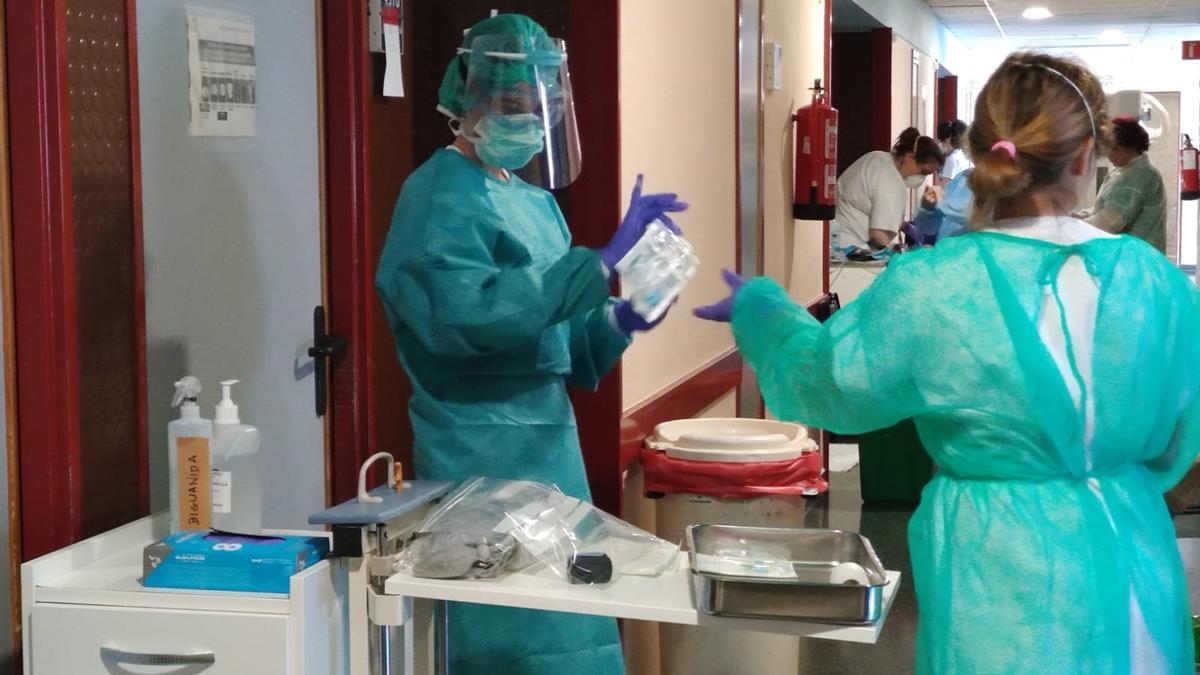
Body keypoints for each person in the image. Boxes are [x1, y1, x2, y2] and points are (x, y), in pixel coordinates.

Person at [695, 52, 1199, 674]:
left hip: (998, 574)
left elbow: (826, 384)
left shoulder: (935, 287)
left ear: (987, 154)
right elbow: (1179, 447)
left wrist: (763, 311)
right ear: (1083, 156)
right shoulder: (1155, 282)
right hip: (1133, 570)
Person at [375, 14, 686, 675]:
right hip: (475, 460)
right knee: (504, 640)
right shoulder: (435, 195)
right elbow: (466, 317)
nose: (529, 118)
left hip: (554, 458)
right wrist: (596, 261)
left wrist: (627, 315)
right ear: (469, 97)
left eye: (541, 102)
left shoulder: (538, 205)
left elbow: (565, 342)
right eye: (515, 102)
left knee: (573, 634)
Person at [832, 128, 944, 252]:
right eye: (923, 172)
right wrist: (902, 255)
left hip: (835, 239)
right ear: (909, 157)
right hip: (852, 248)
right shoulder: (891, 180)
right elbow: (879, 238)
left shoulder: (877, 157)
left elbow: (872, 204)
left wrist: (904, 226)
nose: (922, 178)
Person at [1077, 116, 1168, 252]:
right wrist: (1080, 216)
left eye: (1115, 149)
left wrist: (1074, 227)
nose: (1109, 155)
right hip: (1129, 255)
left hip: (1138, 257)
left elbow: (1110, 221)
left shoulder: (1141, 174)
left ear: (1132, 146)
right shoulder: (1122, 171)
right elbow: (1103, 208)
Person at [914, 169, 974, 244]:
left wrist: (941, 205)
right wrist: (928, 208)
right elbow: (929, 229)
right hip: (944, 250)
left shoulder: (991, 179)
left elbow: (981, 216)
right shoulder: (963, 176)